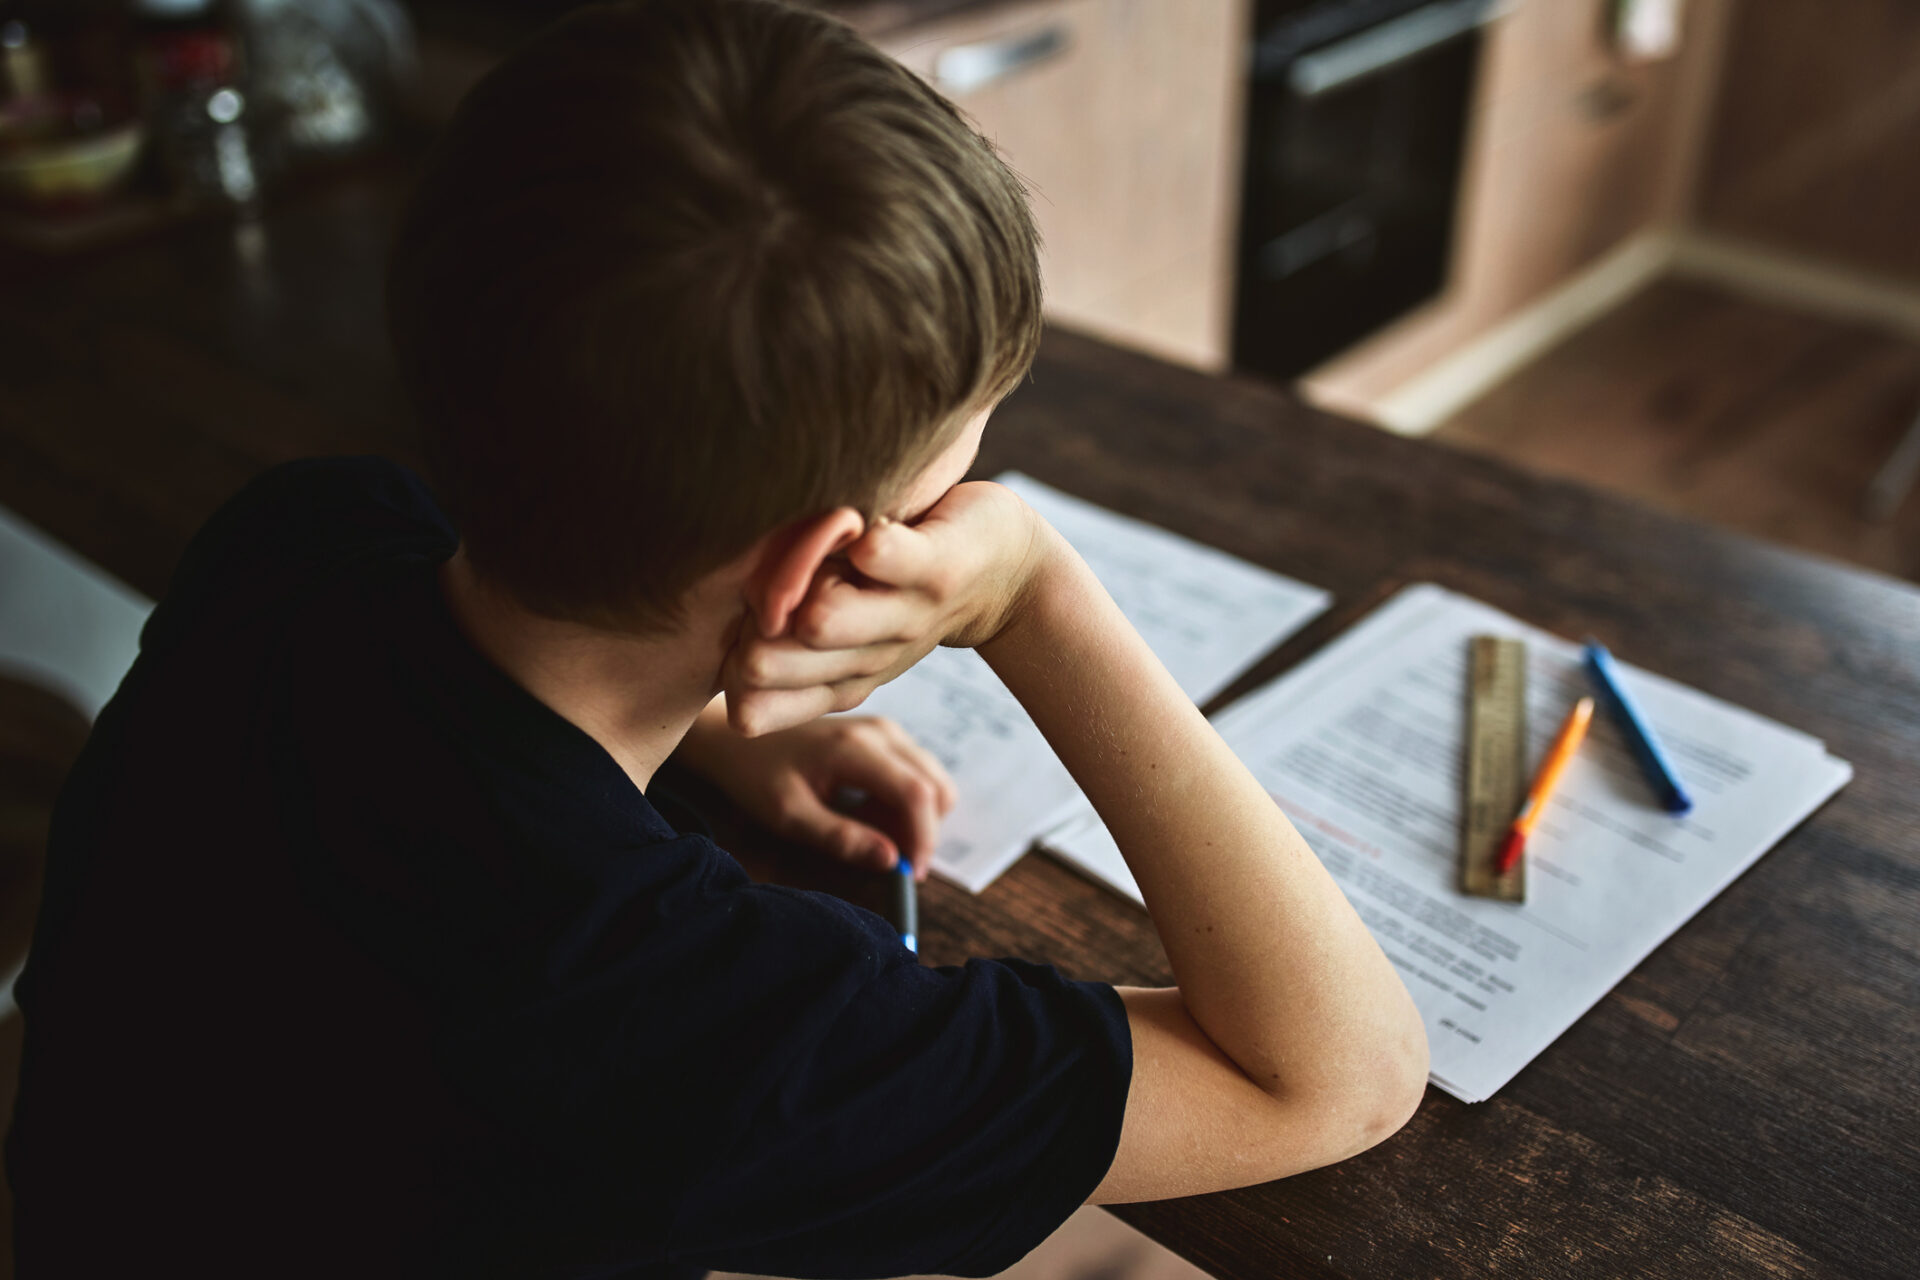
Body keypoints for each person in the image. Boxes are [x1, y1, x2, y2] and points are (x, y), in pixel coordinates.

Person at [5, 0, 1428, 1275]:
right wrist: (1035, 595)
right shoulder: (701, 1024)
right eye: (958, 488)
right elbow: (1340, 1078)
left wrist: (728, 737)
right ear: (819, 565)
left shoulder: (299, 539)